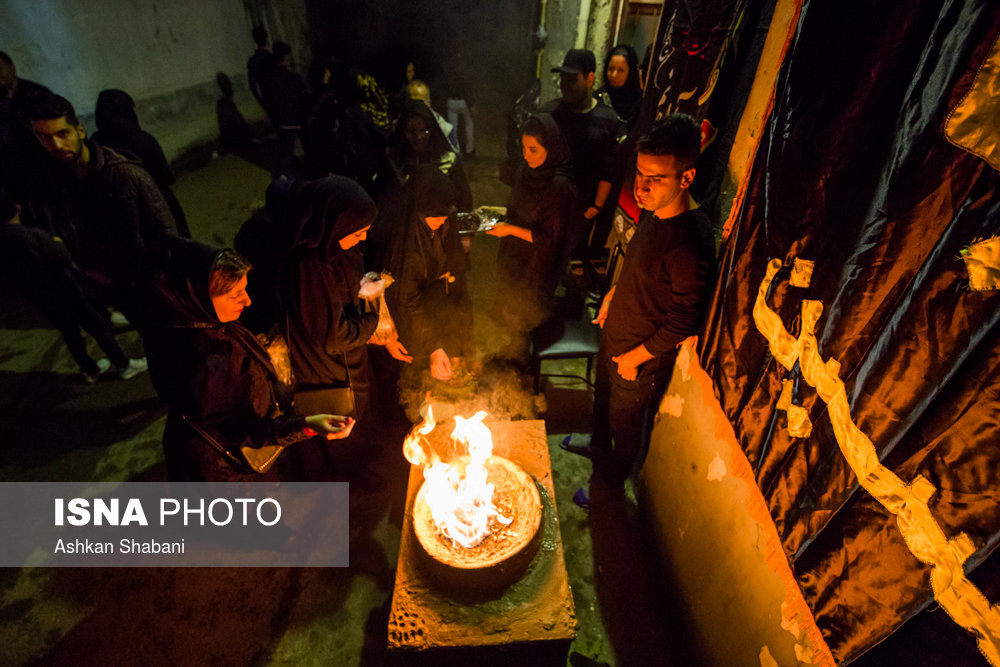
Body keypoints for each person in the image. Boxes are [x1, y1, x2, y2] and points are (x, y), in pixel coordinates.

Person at [564, 114, 715, 507]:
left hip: (639, 358)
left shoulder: (689, 245)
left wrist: (635, 358)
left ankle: (609, 490)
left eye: (656, 179)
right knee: (601, 403)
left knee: (625, 426)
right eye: (640, 174)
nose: (641, 188)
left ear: (686, 178)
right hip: (617, 332)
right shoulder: (655, 211)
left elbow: (685, 320)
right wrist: (614, 294)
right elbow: (642, 269)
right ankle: (595, 445)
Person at [141, 238, 352, 482]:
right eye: (235, 295)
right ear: (199, 296)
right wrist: (309, 425)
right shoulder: (211, 360)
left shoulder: (180, 322)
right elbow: (247, 430)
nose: (247, 301)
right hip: (224, 471)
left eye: (244, 289)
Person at [275, 176, 409, 480]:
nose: (363, 239)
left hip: (351, 358)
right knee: (343, 425)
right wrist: (373, 323)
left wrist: (370, 291)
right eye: (358, 232)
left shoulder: (338, 249)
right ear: (335, 224)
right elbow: (333, 337)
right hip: (328, 369)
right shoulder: (308, 266)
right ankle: (350, 484)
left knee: (361, 416)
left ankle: (363, 470)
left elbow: (350, 292)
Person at [28, 93, 177, 325]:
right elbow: (64, 231)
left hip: (152, 284)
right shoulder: (53, 182)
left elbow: (167, 234)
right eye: (44, 137)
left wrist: (161, 280)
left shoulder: (125, 174)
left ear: (80, 130)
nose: (56, 145)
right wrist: (90, 271)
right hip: (113, 286)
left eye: (62, 134)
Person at [0, 188, 146, 382]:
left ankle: (89, 369)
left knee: (70, 332)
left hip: (40, 297)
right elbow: (62, 257)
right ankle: (124, 364)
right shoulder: (32, 236)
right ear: (17, 208)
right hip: (63, 289)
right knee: (95, 325)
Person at [487, 113, 577, 361]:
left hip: (537, 264)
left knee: (525, 313)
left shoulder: (559, 187)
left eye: (533, 150)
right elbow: (519, 209)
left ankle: (521, 363)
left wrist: (509, 229)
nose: (527, 155)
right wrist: (497, 215)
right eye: (524, 148)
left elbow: (550, 240)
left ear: (551, 147)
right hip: (515, 254)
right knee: (509, 306)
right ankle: (511, 352)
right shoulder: (525, 172)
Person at [541, 49, 625, 270]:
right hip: (547, 204)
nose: (564, 86)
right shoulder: (549, 114)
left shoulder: (607, 120)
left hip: (580, 209)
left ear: (590, 79)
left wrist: (595, 207)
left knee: (563, 260)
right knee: (539, 257)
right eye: (562, 79)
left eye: (572, 80)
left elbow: (608, 169)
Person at [388, 165, 472, 381]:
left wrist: (459, 342)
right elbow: (408, 300)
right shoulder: (404, 241)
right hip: (410, 322)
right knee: (416, 377)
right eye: (435, 215)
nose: (442, 220)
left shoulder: (444, 223)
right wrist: (433, 347)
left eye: (446, 214)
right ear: (419, 208)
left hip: (438, 313)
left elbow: (457, 281)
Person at [369, 99, 472, 271]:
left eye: (424, 130)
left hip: (443, 235)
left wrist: (465, 235)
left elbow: (464, 197)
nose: (418, 137)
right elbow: (381, 201)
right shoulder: (393, 161)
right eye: (411, 131)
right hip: (406, 240)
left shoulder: (448, 159)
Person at [92, 89, 191, 237]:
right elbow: (165, 177)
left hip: (121, 219)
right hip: (158, 209)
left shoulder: (96, 144)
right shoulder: (144, 140)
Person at [261, 41, 307, 178]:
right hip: (297, 118)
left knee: (286, 150)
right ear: (286, 56)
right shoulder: (294, 77)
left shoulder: (270, 79)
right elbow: (303, 97)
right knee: (308, 145)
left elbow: (268, 100)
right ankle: (312, 172)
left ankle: (286, 178)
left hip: (282, 120)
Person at [597, 44, 643, 131]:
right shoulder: (597, 99)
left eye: (620, 70)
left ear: (630, 73)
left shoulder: (641, 103)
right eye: (611, 69)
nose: (614, 75)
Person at [247, 25, 274, 111]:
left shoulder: (252, 61)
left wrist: (262, 103)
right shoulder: (272, 58)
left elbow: (253, 86)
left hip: (267, 100)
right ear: (267, 38)